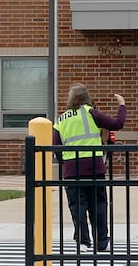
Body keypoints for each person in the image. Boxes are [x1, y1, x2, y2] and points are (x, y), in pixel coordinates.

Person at [52, 84, 126, 252]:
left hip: (71, 170)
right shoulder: (91, 113)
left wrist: (66, 163)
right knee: (98, 205)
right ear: (87, 98)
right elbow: (118, 123)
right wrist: (122, 105)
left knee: (77, 207)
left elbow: (56, 147)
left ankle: (83, 242)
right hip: (93, 167)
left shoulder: (61, 119)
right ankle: (102, 242)